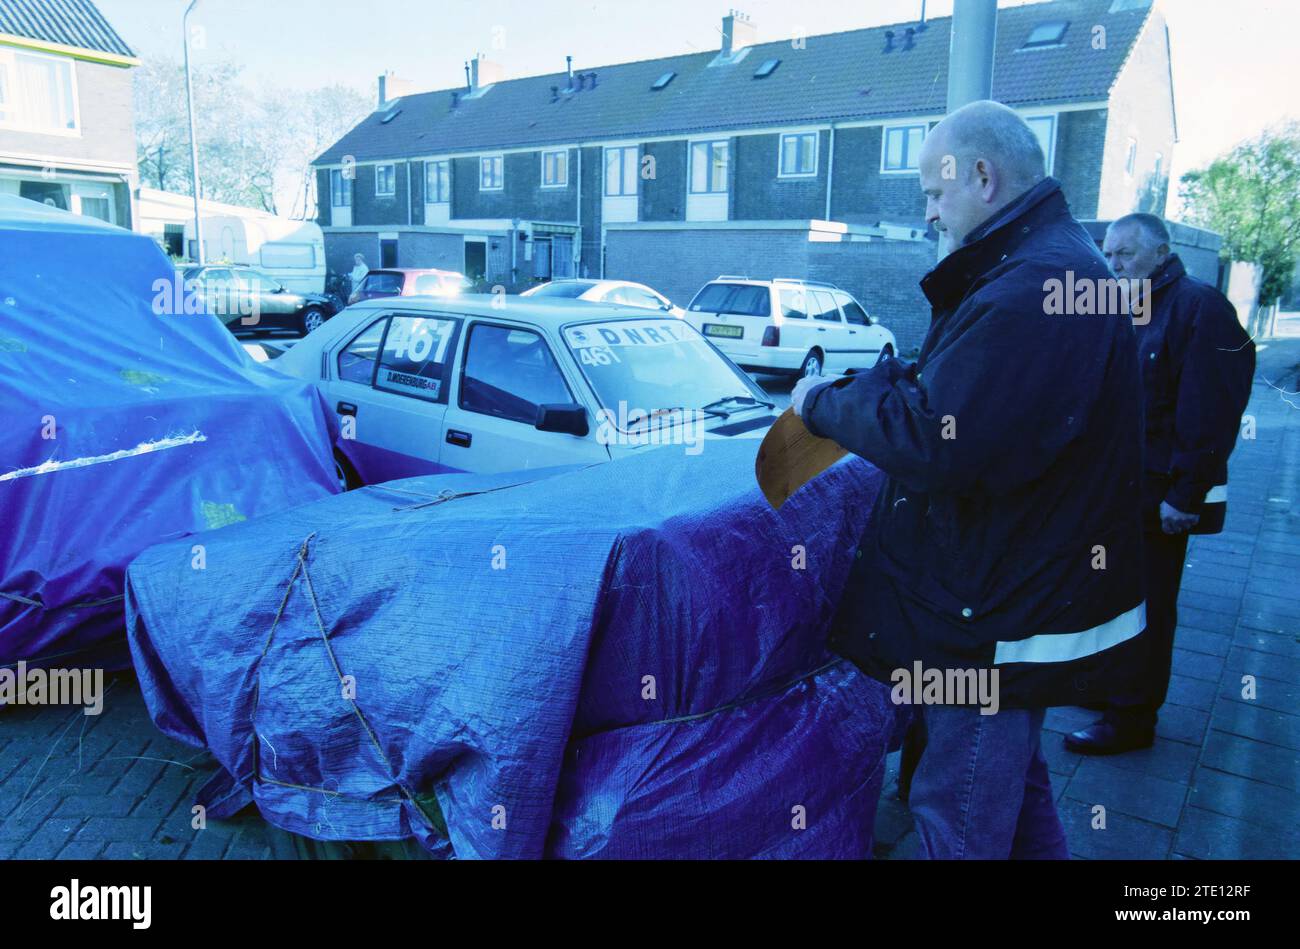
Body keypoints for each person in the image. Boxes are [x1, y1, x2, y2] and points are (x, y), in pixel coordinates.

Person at [790, 100, 1148, 859]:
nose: (927, 213)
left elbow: (936, 435)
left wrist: (821, 403)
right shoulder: (1050, 266)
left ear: (982, 176)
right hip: (1021, 601)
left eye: (933, 192)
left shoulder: (1032, 286)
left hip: (991, 619)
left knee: (958, 814)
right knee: (1016, 785)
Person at [1066, 214, 1255, 754]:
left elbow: (1212, 410)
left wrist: (1186, 493)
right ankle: (1112, 690)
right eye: (1110, 254)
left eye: (1125, 253)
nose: (1114, 264)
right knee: (1115, 595)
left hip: (1161, 495)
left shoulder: (1200, 308)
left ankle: (1131, 719)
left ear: (1162, 252)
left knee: (1148, 604)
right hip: (1121, 490)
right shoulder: (1130, 308)